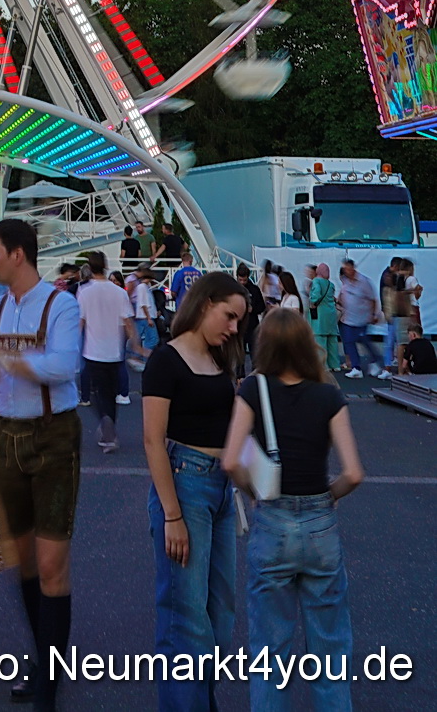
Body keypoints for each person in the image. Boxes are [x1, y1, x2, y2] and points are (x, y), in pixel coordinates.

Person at [0, 220, 82, 712]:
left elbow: (66, 364)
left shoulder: (62, 304)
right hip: (6, 438)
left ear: (18, 254)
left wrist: (19, 363)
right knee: (25, 562)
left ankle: (48, 693)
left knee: (53, 564)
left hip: (53, 437)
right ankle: (45, 658)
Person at [223, 308, 364, 712]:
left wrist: (254, 490)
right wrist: (329, 495)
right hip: (320, 522)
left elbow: (231, 460)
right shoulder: (329, 394)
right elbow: (353, 473)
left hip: (273, 518)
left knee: (270, 652)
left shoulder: (253, 389)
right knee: (331, 649)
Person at [142, 272, 248, 712]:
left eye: (240, 320)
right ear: (204, 304)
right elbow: (152, 439)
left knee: (219, 616)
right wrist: (172, 515)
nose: (235, 328)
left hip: (222, 490)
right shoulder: (165, 361)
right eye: (229, 316)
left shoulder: (220, 358)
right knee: (186, 620)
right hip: (184, 484)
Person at [78, 252, 141, 451]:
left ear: (89, 267)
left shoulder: (85, 292)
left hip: (93, 350)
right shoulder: (119, 292)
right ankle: (110, 427)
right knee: (111, 393)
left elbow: (80, 322)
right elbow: (128, 322)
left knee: (98, 392)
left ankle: (106, 425)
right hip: (114, 350)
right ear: (105, 266)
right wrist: (135, 343)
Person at [337, 259, 380, 379]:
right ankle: (356, 367)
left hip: (362, 319)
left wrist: (373, 314)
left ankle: (375, 361)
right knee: (349, 342)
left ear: (353, 268)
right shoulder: (345, 282)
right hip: (348, 318)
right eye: (344, 269)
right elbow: (343, 296)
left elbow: (373, 299)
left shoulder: (364, 282)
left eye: (348, 268)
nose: (346, 271)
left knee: (364, 340)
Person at [307, 263, 341, 374]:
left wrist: (312, 301)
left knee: (320, 341)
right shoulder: (331, 284)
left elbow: (316, 295)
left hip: (320, 315)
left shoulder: (316, 281)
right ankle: (335, 365)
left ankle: (323, 365)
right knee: (332, 341)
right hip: (331, 314)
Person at [237, 264, 267, 363]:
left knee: (254, 353)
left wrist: (253, 309)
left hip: (252, 325)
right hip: (238, 326)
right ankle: (239, 375)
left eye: (244, 280)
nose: (242, 283)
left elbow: (262, 306)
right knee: (239, 354)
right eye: (240, 280)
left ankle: (255, 373)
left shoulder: (254, 289)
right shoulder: (233, 289)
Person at [378, 256, 404, 366]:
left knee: (391, 340)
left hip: (392, 313)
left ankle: (390, 362)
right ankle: (390, 363)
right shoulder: (390, 278)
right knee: (393, 340)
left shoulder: (387, 276)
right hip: (393, 313)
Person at [133, 265, 160, 353]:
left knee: (146, 338)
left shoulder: (145, 287)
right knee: (153, 339)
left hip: (146, 317)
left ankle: (144, 356)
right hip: (146, 318)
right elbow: (143, 303)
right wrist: (149, 318)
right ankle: (145, 356)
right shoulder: (142, 287)